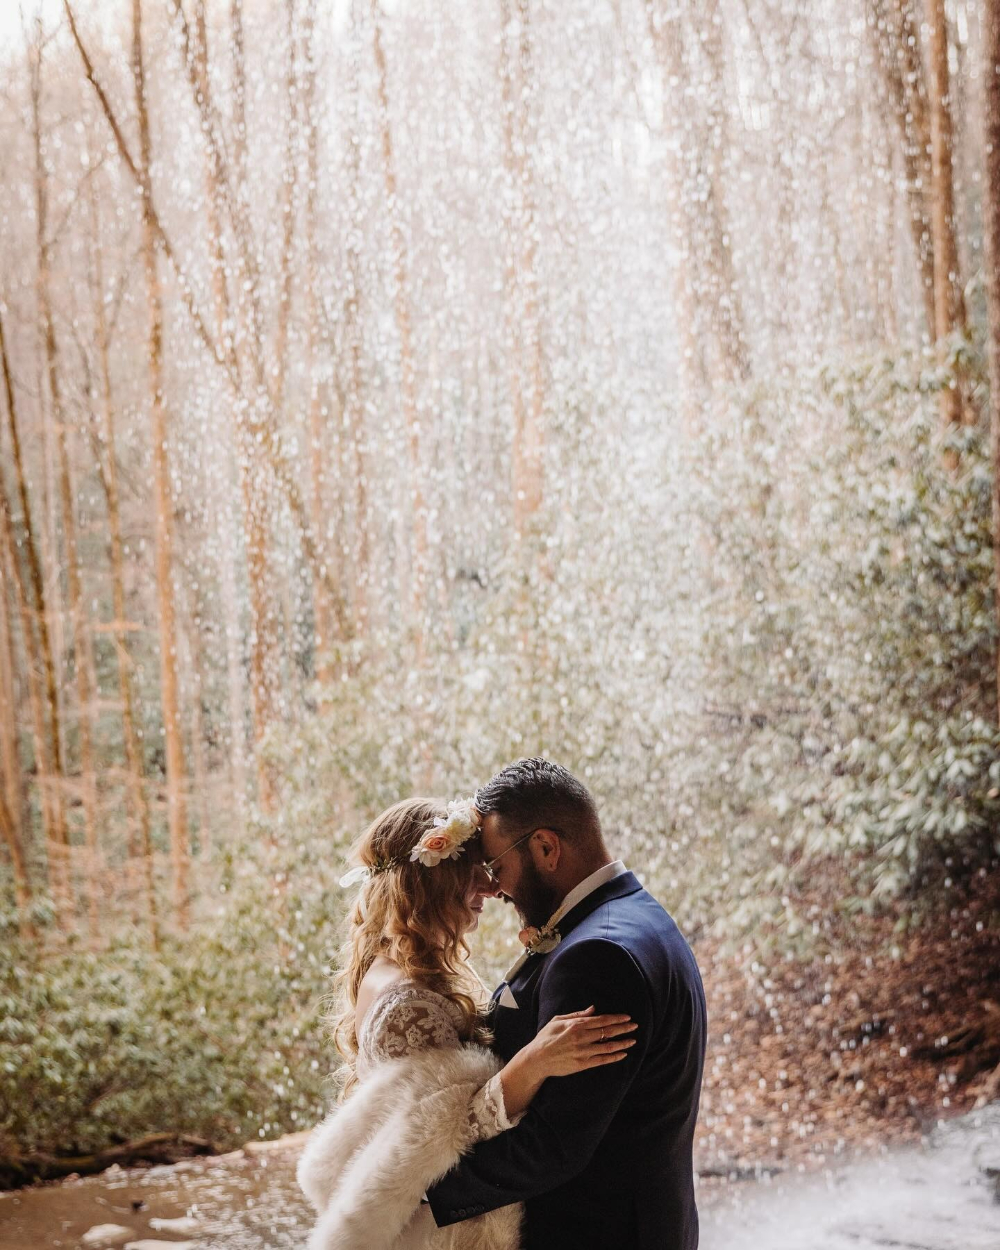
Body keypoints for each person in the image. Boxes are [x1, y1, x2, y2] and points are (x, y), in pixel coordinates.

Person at [296, 795, 636, 1250]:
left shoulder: (402, 969)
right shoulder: (407, 1004)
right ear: (431, 880)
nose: (492, 887)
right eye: (473, 870)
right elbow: (441, 1133)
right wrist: (535, 1063)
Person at [426, 759, 707, 1250]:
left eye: (498, 867)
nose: (495, 890)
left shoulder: (595, 958)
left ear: (546, 847)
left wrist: (424, 1194)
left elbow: (553, 1144)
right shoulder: (638, 916)